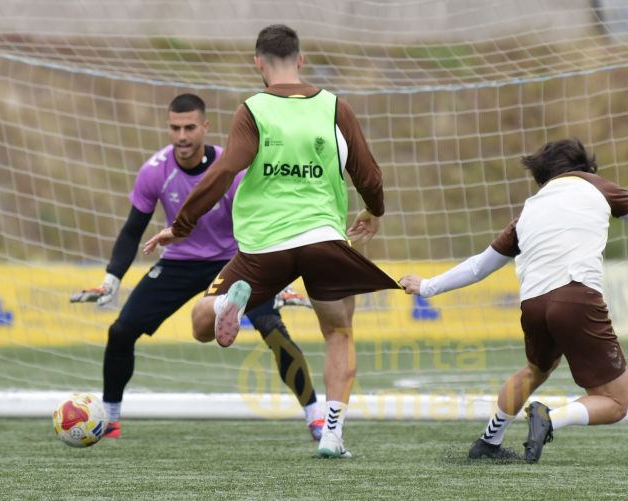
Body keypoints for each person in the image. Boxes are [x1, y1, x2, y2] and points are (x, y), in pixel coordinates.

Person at [144, 25, 400, 459]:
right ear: (300, 61)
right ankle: (332, 434)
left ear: (258, 63)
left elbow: (223, 173)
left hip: (265, 244)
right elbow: (368, 175)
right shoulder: (336, 108)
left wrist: (182, 225)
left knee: (201, 324)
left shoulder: (253, 109)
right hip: (323, 237)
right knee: (339, 332)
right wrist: (373, 210)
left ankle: (227, 305)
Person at [71, 93, 324, 441]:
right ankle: (110, 418)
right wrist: (112, 279)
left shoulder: (232, 169)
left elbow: (265, 225)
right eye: (175, 128)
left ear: (205, 127)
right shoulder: (154, 171)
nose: (182, 136)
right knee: (120, 331)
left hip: (235, 263)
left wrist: (277, 280)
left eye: (190, 127)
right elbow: (133, 230)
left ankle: (316, 416)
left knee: (272, 327)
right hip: (178, 263)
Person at [400, 138, 628, 463]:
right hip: (576, 297)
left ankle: (488, 443)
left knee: (534, 371)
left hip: (534, 305)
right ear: (582, 167)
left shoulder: (529, 210)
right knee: (615, 402)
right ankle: (551, 419)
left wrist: (426, 286)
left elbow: (480, 266)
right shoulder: (595, 184)